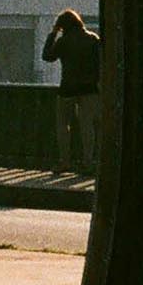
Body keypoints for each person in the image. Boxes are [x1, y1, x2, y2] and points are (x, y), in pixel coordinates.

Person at [42, 9, 101, 174]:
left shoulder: (64, 42)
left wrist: (53, 34)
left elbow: (47, 57)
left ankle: (65, 161)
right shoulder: (93, 39)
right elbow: (100, 64)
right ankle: (88, 162)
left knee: (63, 124)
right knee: (87, 125)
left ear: (62, 26)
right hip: (89, 88)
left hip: (68, 87)